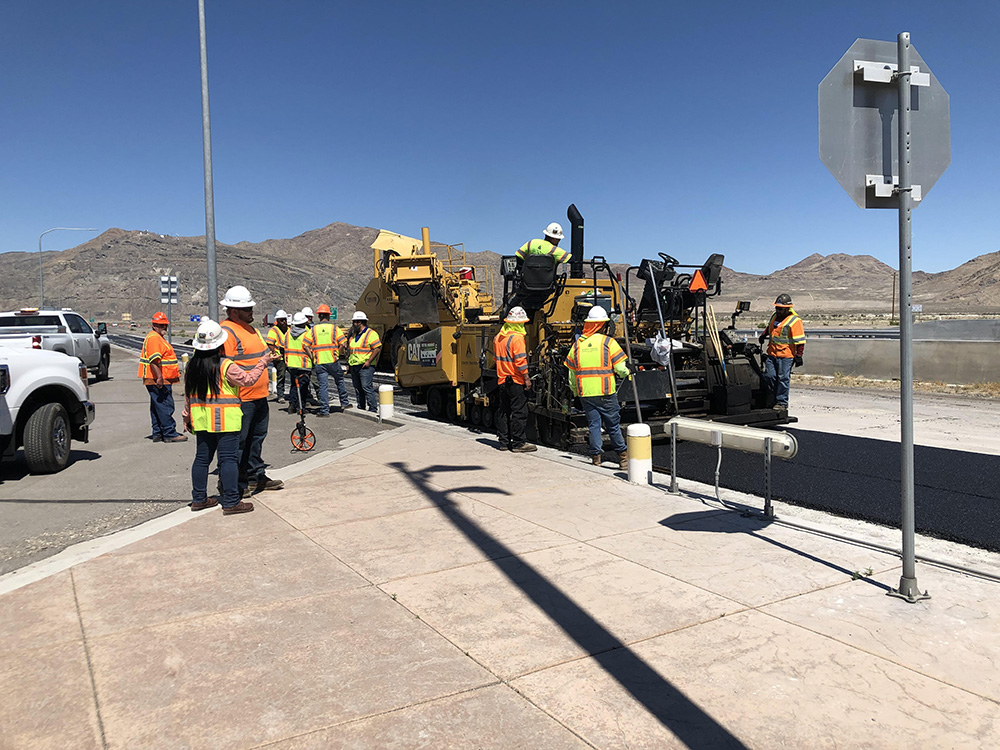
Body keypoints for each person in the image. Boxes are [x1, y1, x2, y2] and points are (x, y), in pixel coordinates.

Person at [182, 319, 272, 516]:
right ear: (219, 344)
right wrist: (262, 363)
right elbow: (247, 380)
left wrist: (186, 416)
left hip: (202, 420)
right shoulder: (225, 365)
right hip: (225, 420)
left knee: (202, 459)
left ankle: (199, 499)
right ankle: (231, 501)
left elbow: (189, 394)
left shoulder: (192, 367)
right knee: (229, 459)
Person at [219, 285, 283, 497]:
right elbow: (224, 366)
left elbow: (261, 354)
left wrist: (272, 357)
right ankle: (235, 481)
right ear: (234, 311)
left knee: (257, 438)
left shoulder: (253, 330)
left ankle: (256, 476)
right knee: (239, 442)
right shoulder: (225, 332)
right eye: (247, 309)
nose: (251, 313)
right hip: (240, 399)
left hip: (259, 395)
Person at [564, 306, 631, 469]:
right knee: (613, 425)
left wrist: (575, 391)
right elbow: (621, 369)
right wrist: (628, 373)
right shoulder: (609, 342)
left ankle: (596, 458)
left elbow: (571, 374)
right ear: (602, 325)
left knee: (594, 425)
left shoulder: (577, 346)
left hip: (586, 393)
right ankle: (623, 457)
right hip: (605, 392)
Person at [138, 312, 187, 443]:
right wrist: (159, 377)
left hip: (156, 378)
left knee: (157, 406)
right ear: (154, 326)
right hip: (159, 379)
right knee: (165, 405)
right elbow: (154, 360)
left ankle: (158, 432)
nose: (164, 328)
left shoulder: (156, 337)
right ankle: (169, 433)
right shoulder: (154, 338)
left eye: (165, 325)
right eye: (161, 325)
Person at [493, 306, 536, 452]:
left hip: (502, 379)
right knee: (519, 412)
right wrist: (527, 378)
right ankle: (519, 443)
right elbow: (520, 361)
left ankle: (503, 442)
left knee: (503, 411)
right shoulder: (517, 338)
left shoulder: (498, 337)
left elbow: (496, 358)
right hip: (516, 380)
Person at [759, 293, 806, 411]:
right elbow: (770, 327)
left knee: (783, 379)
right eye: (776, 308)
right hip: (772, 353)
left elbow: (800, 340)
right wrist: (763, 335)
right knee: (769, 376)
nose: (778, 310)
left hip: (786, 355)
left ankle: (782, 403)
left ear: (787, 309)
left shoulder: (795, 321)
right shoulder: (775, 316)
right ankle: (773, 398)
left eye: (780, 308)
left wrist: (799, 355)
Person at [306, 304, 351, 417]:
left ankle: (325, 411)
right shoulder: (335, 329)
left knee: (323, 386)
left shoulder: (313, 330)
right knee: (339, 380)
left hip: (319, 362)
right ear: (328, 316)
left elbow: (305, 345)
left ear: (319, 316)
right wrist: (337, 352)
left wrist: (312, 356)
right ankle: (344, 403)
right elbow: (343, 343)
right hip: (333, 360)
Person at [347, 311, 381, 412]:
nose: (354, 324)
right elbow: (351, 350)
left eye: (355, 322)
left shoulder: (371, 334)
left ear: (361, 322)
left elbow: (377, 348)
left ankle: (372, 408)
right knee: (358, 388)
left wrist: (369, 361)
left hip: (365, 366)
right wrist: (349, 363)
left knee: (366, 387)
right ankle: (361, 407)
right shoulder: (353, 335)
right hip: (354, 365)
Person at [284, 312, 314, 414]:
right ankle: (300, 407)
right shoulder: (307, 334)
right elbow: (309, 348)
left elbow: (285, 347)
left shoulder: (288, 333)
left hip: (291, 364)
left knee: (294, 385)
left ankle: (292, 405)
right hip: (304, 364)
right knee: (303, 387)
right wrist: (313, 359)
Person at [265, 309, 289, 403]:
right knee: (281, 376)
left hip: (289, 356)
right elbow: (270, 343)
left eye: (285, 319)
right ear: (277, 321)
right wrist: (275, 353)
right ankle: (281, 396)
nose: (284, 322)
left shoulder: (289, 329)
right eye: (281, 320)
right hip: (280, 358)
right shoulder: (274, 330)